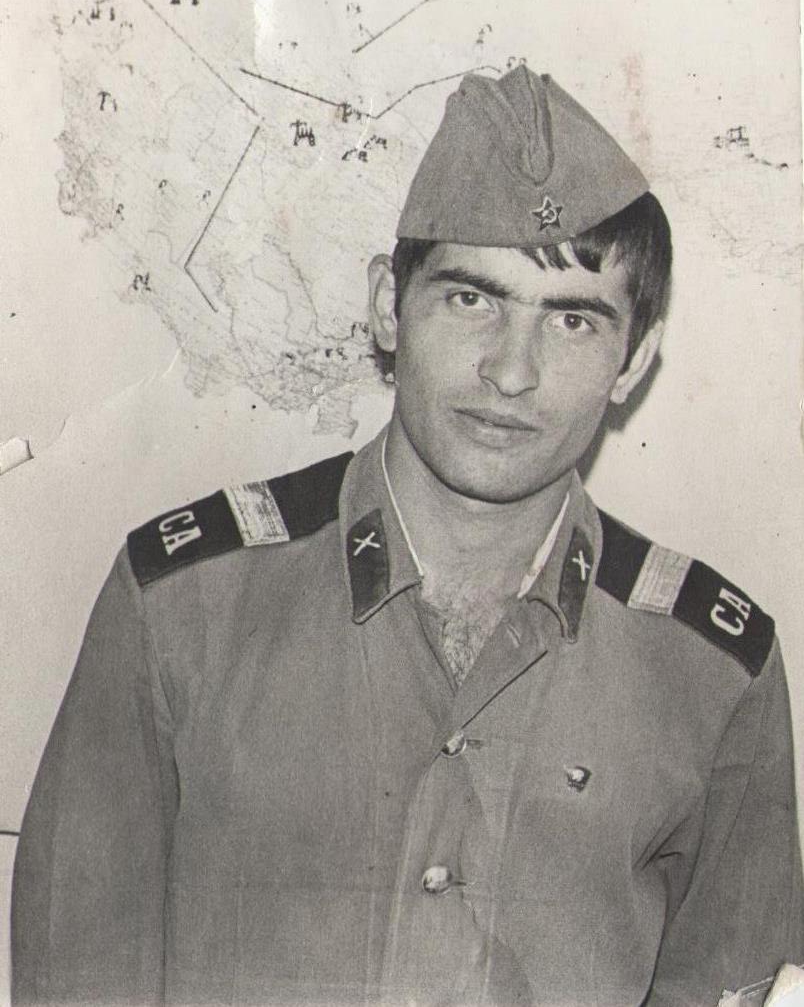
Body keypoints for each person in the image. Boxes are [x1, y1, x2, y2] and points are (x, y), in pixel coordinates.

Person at [11, 65, 803, 1007]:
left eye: (573, 320)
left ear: (632, 359)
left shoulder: (713, 670)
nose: (512, 372)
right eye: (472, 300)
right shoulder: (184, 607)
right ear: (390, 304)